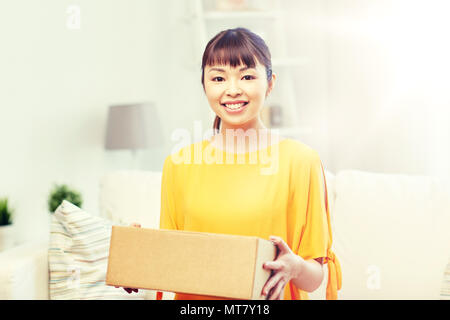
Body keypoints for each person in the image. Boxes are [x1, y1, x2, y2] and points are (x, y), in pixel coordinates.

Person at [124, 27, 342, 300]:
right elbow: (176, 264)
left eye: (247, 76)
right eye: (218, 78)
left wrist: (295, 267)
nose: (233, 90)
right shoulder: (178, 165)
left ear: (271, 82)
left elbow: (314, 278)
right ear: (204, 85)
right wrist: (137, 261)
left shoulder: (301, 162)